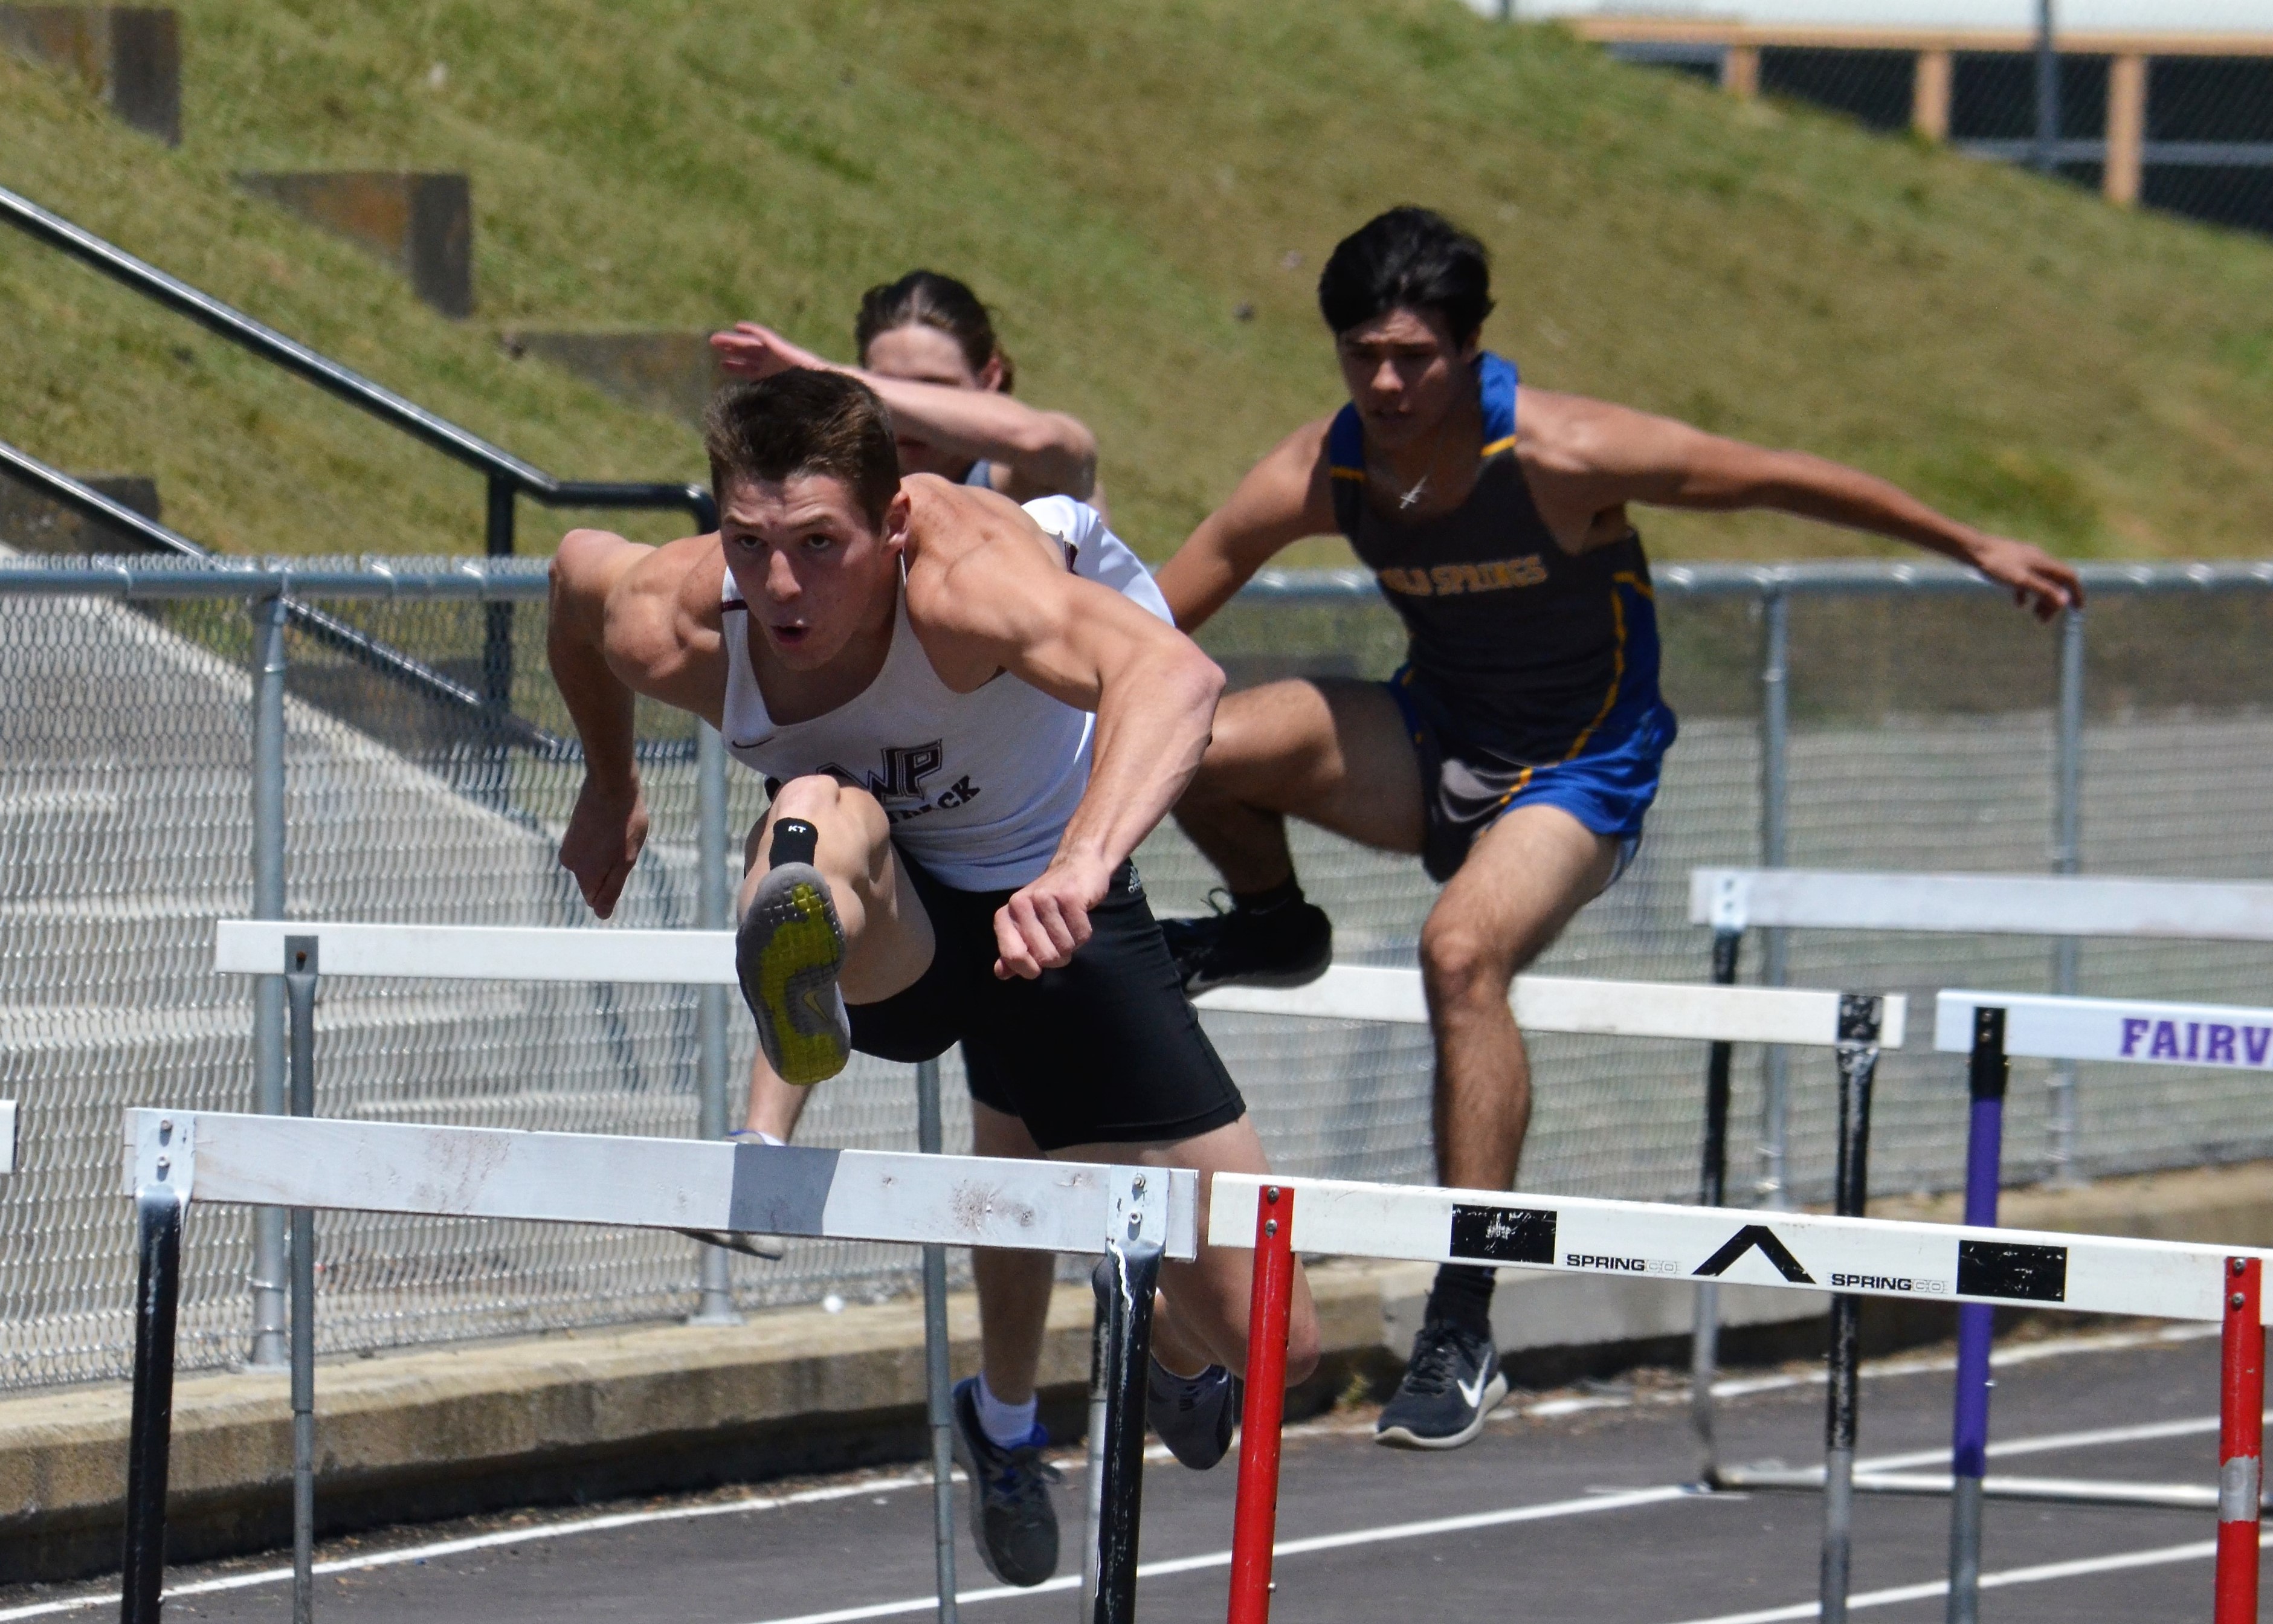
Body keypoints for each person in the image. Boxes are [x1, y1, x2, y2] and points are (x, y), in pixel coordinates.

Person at [1152, 205, 2083, 1453]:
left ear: (1473, 352)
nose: (1383, 382)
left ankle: (1463, 1315)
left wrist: (1969, 541)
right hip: (1434, 741)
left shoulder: (1562, 454)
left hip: (1580, 769)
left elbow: (1776, 477)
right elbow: (1151, 621)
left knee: (1458, 954)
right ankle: (1273, 921)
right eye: (1361, 354)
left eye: (1413, 359)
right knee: (1183, 733)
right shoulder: (1328, 469)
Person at [549, 369, 1319, 1589]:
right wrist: (611, 783)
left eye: (819, 547)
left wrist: (1080, 866)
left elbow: (1178, 680)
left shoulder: (973, 587)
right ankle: (793, 1012)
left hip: (1048, 906)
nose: (784, 590)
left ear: (895, 524)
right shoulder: (678, 620)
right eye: (749, 546)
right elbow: (574, 576)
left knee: (1277, 1334)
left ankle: (1176, 1349)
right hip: (898, 925)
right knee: (809, 817)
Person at [712, 268, 1104, 512]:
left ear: (989, 379)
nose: (908, 413)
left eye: (936, 387)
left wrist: (825, 378)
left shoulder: (1018, 479)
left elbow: (1041, 441)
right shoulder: (849, 479)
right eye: (888, 385)